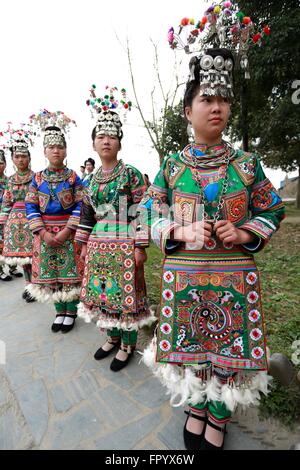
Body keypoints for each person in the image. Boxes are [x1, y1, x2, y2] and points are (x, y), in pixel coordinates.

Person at [139, 46, 285, 450]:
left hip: (234, 280)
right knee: (192, 351)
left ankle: (220, 415)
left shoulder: (247, 164)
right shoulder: (171, 165)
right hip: (184, 277)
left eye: (223, 99)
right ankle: (198, 407)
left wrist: (243, 233)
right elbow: (148, 211)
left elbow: (272, 209)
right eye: (206, 99)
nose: (216, 107)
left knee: (227, 354)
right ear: (188, 111)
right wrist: (180, 232)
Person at [75, 87, 156, 372]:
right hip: (98, 243)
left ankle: (128, 343)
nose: (106, 141)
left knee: (126, 295)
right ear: (93, 145)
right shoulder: (90, 180)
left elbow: (143, 209)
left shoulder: (131, 173)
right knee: (103, 293)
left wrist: (140, 246)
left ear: (119, 143)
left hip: (124, 242)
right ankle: (111, 337)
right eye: (100, 137)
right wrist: (83, 245)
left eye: (111, 137)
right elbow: (86, 212)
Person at [25, 125, 84, 332]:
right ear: (44, 152)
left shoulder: (74, 177)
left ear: (66, 150)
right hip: (45, 233)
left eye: (60, 146)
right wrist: (42, 232)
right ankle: (59, 310)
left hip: (69, 232)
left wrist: (67, 230)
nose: (56, 150)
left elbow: (81, 204)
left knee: (71, 274)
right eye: (51, 147)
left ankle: (71, 311)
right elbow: (30, 204)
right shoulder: (37, 178)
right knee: (53, 274)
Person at [0, 140, 35, 300]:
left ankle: (36, 285)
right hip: (15, 224)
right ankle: (28, 286)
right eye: (17, 156)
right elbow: (7, 202)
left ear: (29, 158)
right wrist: (3, 222)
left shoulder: (36, 177)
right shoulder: (10, 180)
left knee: (34, 256)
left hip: (32, 220)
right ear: (13, 159)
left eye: (23, 156)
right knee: (23, 258)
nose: (20, 160)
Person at [0, 150, 12, 282]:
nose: (0, 166)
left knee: (9, 242)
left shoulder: (9, 180)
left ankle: (13, 267)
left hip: (9, 216)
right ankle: (1, 270)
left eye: (2, 163)